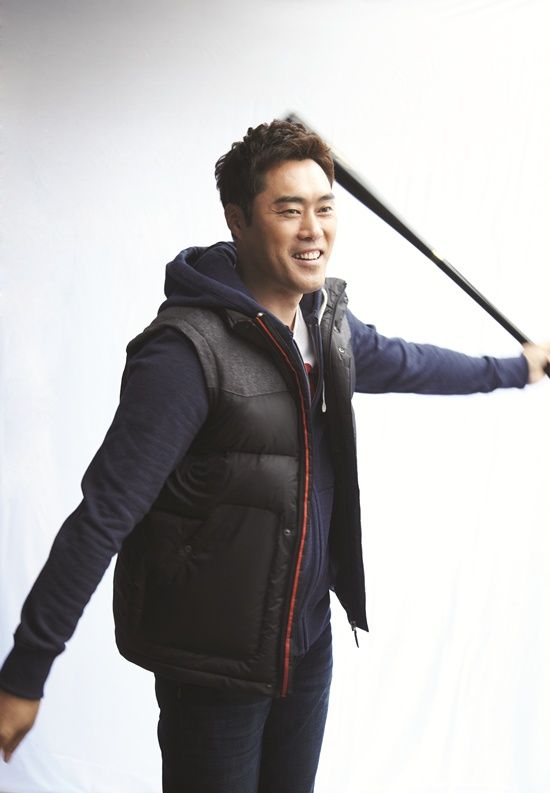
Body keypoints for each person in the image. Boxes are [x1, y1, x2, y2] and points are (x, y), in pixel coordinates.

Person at [0, 120, 548, 793]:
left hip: (305, 646)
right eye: (289, 209)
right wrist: (26, 672)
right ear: (238, 220)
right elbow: (103, 515)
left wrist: (515, 368)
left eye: (324, 207)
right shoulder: (186, 353)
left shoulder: (325, 325)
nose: (313, 230)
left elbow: (409, 362)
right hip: (216, 668)